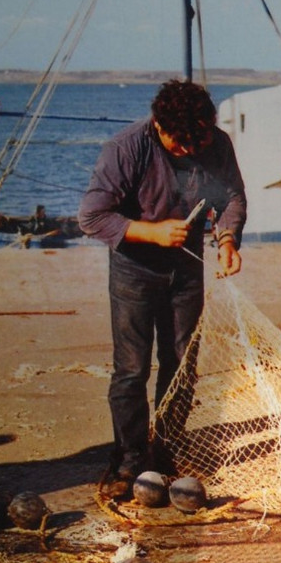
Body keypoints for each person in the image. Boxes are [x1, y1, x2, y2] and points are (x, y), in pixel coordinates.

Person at [78, 79, 246, 500]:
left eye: (200, 140)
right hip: (134, 270)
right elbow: (92, 217)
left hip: (187, 270)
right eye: (181, 144)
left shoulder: (217, 143)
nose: (192, 151)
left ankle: (168, 448)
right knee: (132, 368)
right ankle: (130, 456)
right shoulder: (125, 148)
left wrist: (226, 241)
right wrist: (149, 232)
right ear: (158, 126)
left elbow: (231, 198)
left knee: (182, 361)